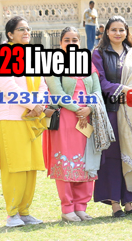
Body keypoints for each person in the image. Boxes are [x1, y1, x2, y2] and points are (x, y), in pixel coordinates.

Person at [92, 16, 132, 217]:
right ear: (107, 32)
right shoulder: (99, 53)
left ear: (127, 32)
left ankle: (129, 202)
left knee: (131, 154)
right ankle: (115, 204)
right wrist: (124, 89)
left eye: (122, 30)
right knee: (112, 157)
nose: (118, 33)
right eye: (114, 29)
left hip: (131, 112)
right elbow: (100, 82)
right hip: (110, 111)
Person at [44, 27, 107, 222]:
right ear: (60, 43)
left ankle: (81, 207)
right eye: (67, 40)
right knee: (66, 162)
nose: (71, 44)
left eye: (75, 40)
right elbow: (57, 92)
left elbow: (97, 90)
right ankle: (67, 208)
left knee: (87, 162)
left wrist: (89, 108)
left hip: (87, 119)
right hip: (65, 119)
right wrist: (77, 108)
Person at [0, 16, 49, 227]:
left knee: (30, 166)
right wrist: (32, 104)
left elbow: (42, 85)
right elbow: (8, 87)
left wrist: (40, 105)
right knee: (15, 166)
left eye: (28, 28)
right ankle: (12, 214)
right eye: (21, 29)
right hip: (10, 117)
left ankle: (24, 211)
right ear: (10, 34)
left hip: (32, 118)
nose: (26, 32)